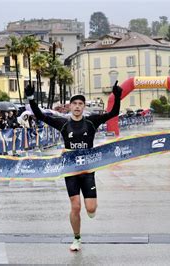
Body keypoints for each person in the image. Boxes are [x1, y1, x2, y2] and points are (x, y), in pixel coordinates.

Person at [25, 81, 122, 251]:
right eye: (74, 104)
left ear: (83, 107)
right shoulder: (63, 123)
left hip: (87, 169)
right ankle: (76, 238)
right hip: (70, 169)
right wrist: (31, 98)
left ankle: (91, 210)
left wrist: (117, 95)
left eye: (80, 104)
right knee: (75, 205)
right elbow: (40, 115)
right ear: (70, 106)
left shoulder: (92, 121)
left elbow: (114, 112)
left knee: (91, 210)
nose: (77, 107)